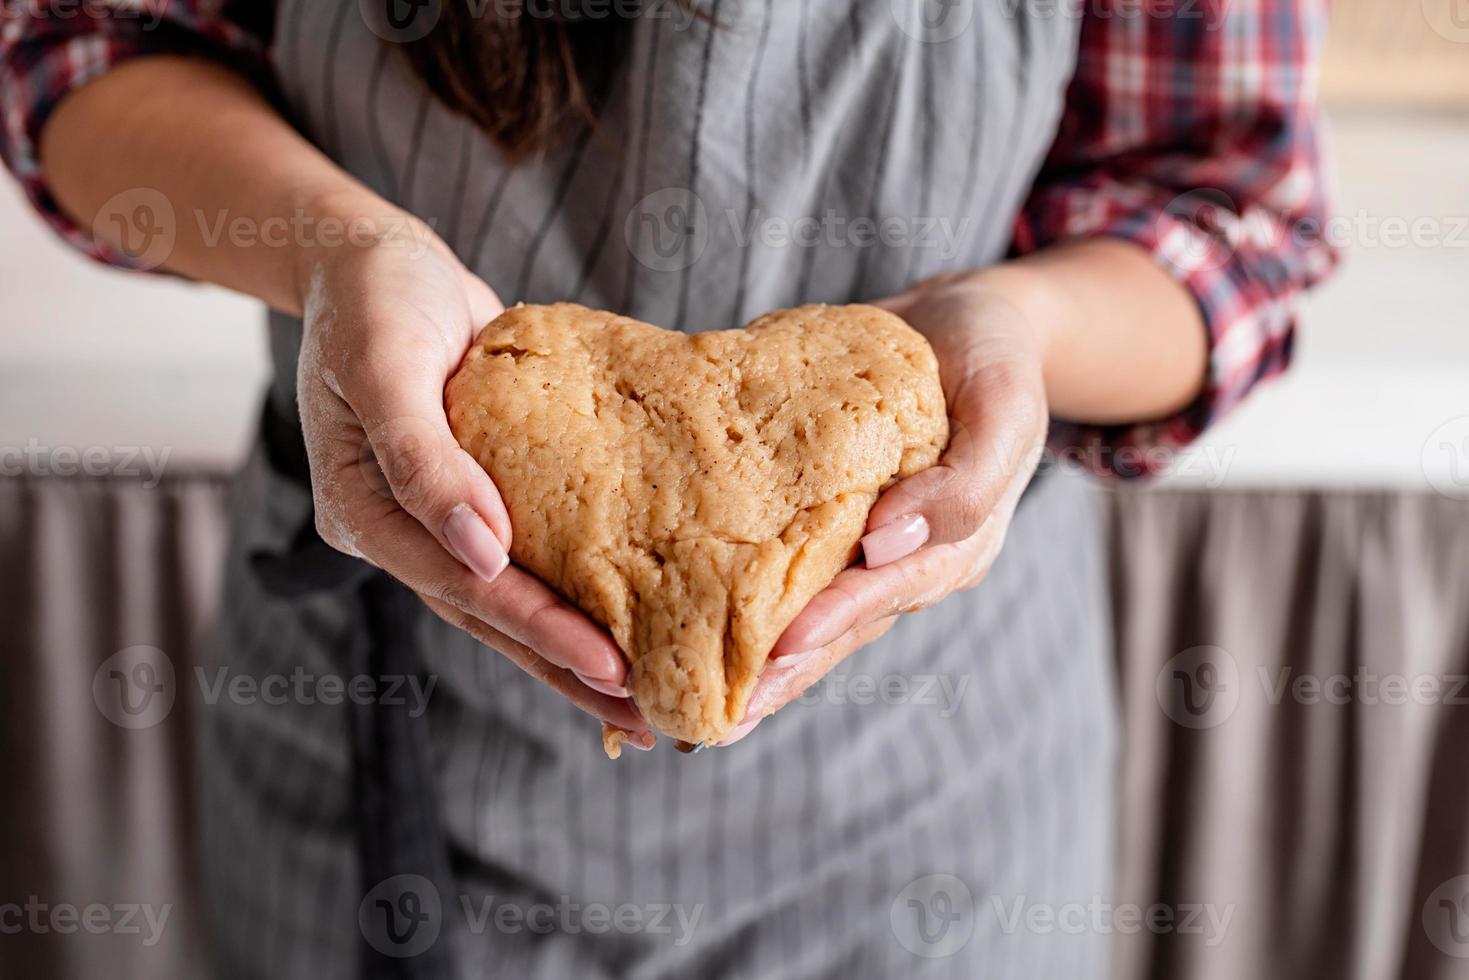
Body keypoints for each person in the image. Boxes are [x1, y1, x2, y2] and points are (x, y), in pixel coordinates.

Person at [0, 1, 1334, 976]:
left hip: (926, 804)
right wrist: (342, 249)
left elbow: (1229, 208)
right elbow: (86, 51)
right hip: (378, 756)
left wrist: (1012, 329)